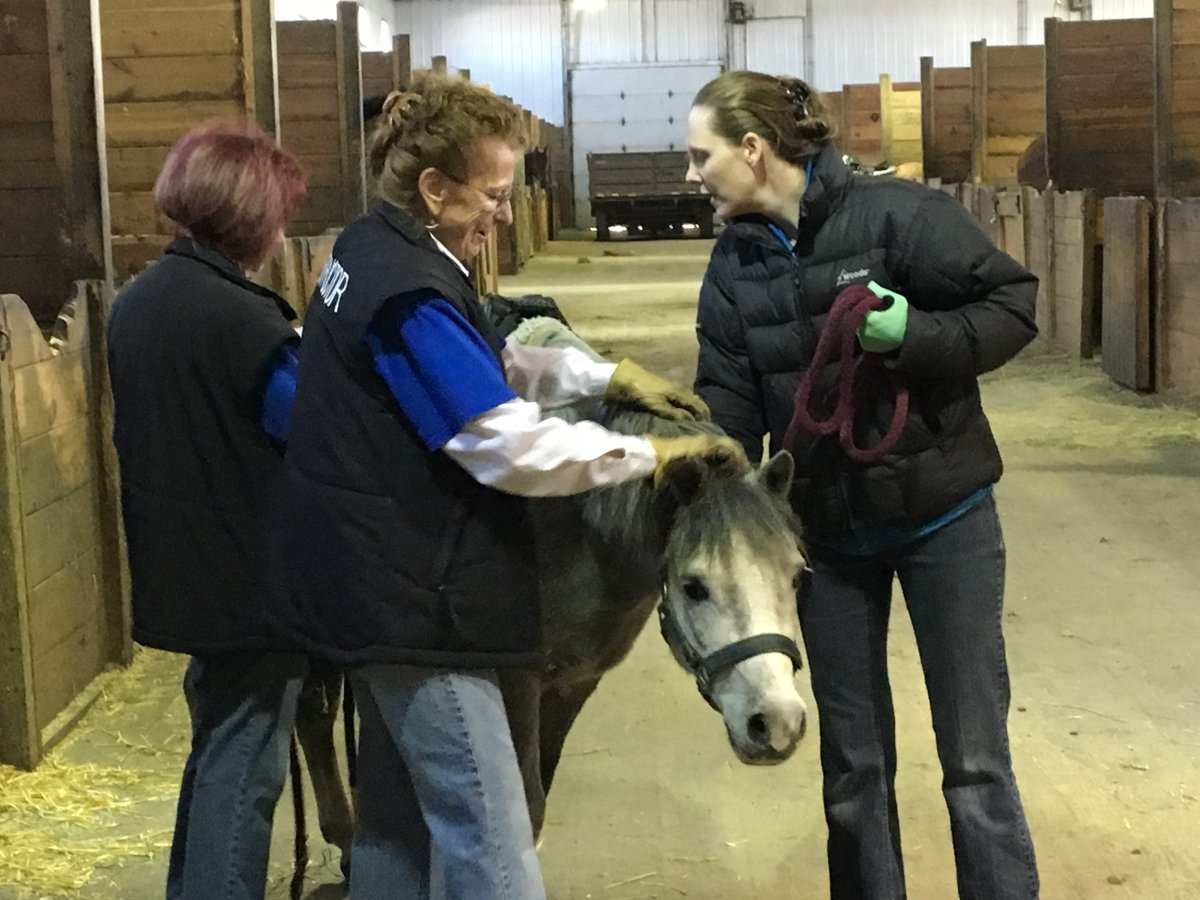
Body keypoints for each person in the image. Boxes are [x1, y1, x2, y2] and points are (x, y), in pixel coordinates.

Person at [264, 74, 745, 900]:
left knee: (397, 826)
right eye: (492, 194)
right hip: (418, 606)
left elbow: (480, 360)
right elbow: (507, 447)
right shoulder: (409, 291)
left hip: (364, 588)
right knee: (493, 836)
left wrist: (603, 376)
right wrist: (648, 458)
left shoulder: (372, 249)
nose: (504, 212)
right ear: (433, 189)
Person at [684, 70, 1040, 900]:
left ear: (752, 149)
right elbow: (728, 406)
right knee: (853, 762)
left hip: (943, 519)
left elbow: (1013, 305)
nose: (692, 174)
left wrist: (912, 333)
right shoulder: (733, 264)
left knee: (975, 756)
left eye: (701, 156)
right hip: (827, 540)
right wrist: (698, 484)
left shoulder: (898, 217)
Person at [106, 123, 309, 899]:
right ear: (252, 218)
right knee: (246, 770)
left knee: (217, 751)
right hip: (249, 578)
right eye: (279, 216)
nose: (282, 232)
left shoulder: (142, 299)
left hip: (183, 562)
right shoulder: (243, 320)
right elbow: (309, 431)